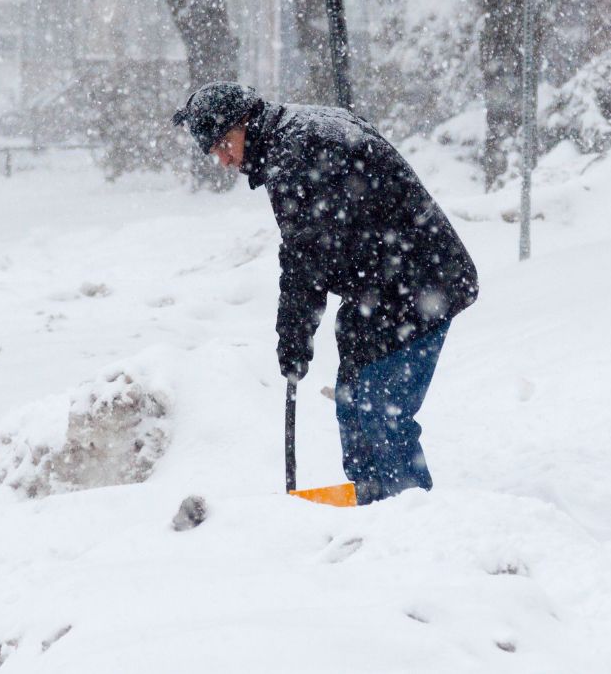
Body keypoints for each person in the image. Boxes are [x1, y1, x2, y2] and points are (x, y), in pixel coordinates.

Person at [173, 82, 478, 505]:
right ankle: (375, 507)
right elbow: (309, 251)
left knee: (380, 413)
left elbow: (305, 259)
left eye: (225, 143)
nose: (223, 159)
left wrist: (294, 337)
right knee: (355, 406)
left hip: (419, 284)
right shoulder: (295, 135)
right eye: (214, 151)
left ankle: (411, 519)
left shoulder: (297, 152)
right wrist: (296, 334)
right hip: (383, 289)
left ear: (245, 122)